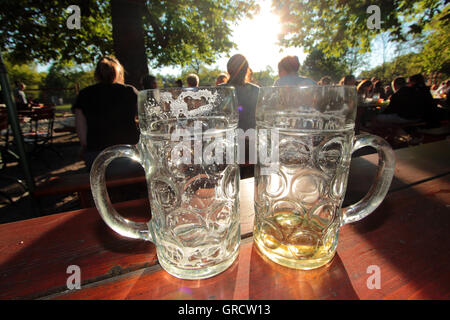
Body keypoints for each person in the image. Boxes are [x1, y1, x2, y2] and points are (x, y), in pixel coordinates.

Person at [73, 56, 140, 170]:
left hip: (97, 157)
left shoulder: (85, 94)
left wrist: (85, 148)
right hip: (129, 155)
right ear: (118, 72)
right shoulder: (129, 91)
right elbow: (144, 119)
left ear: (97, 74)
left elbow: (81, 132)